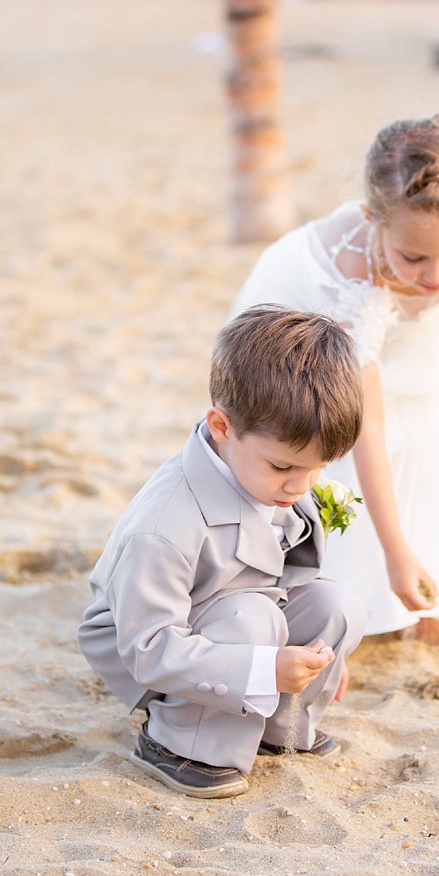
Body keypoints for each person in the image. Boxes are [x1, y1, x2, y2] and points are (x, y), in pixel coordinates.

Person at [228, 115, 439, 661]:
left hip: (402, 353)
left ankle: (421, 608)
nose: (434, 276)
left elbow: (438, 271)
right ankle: (326, 608)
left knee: (433, 446)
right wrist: (393, 550)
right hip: (310, 367)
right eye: (414, 258)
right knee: (336, 470)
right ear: (372, 220)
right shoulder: (355, 279)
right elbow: (366, 427)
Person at [78, 308, 368, 799]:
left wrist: (323, 655)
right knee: (251, 619)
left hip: (242, 609)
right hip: (155, 644)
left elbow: (288, 576)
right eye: (284, 466)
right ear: (221, 426)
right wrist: (263, 667)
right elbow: (148, 646)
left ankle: (280, 726)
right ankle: (181, 743)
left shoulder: (272, 477)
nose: (300, 485)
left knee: (337, 605)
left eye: (317, 470)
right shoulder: (165, 524)